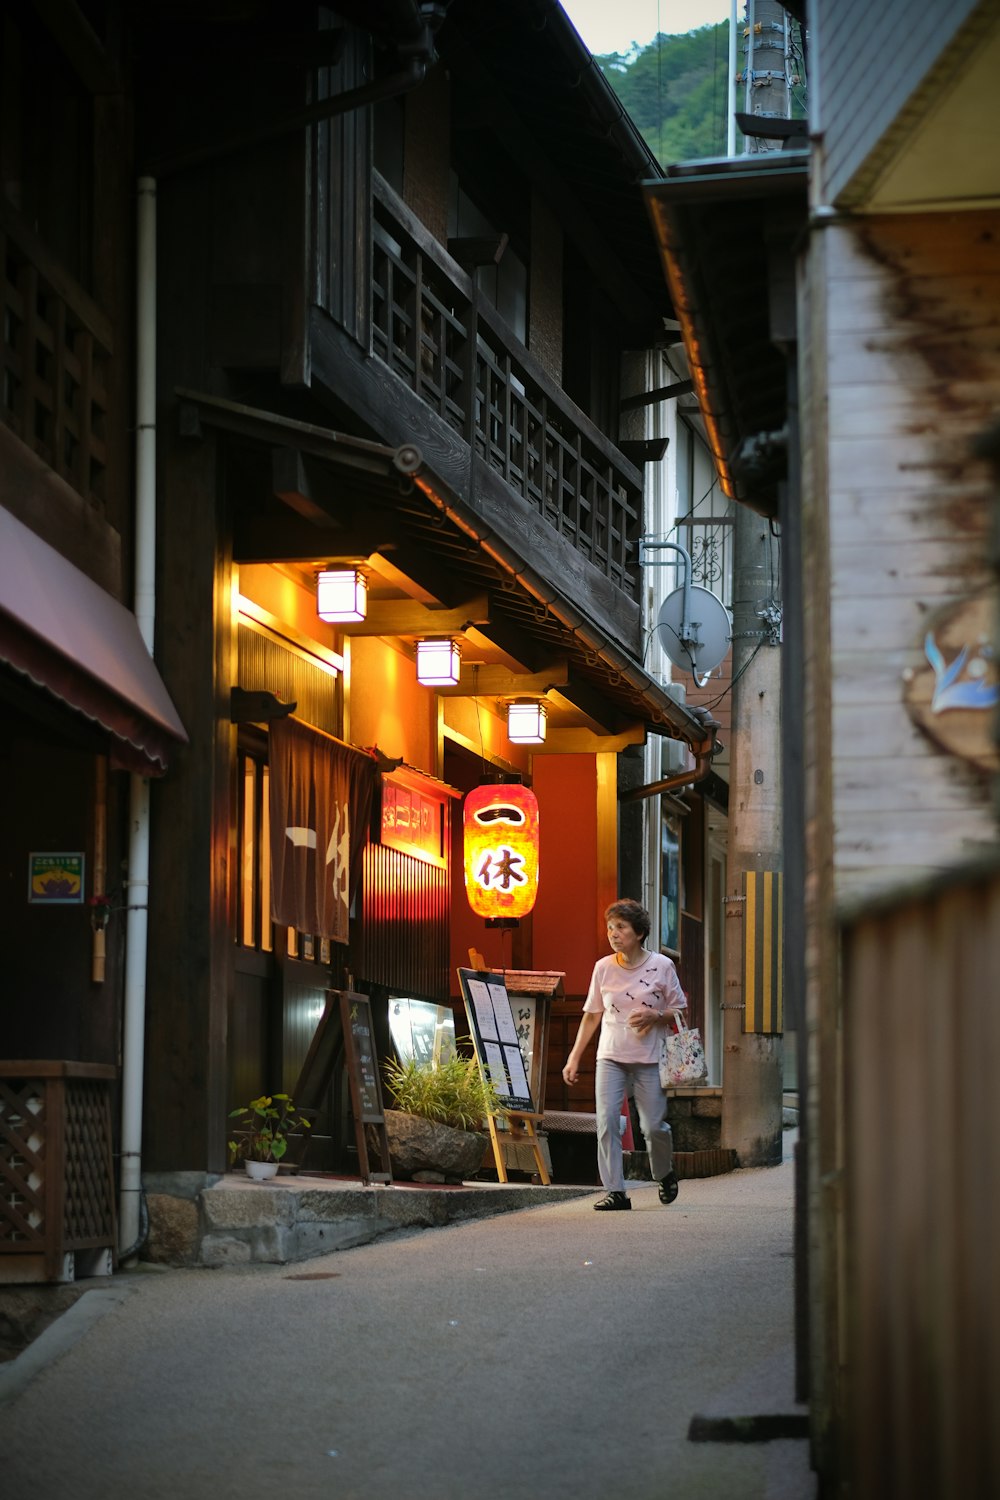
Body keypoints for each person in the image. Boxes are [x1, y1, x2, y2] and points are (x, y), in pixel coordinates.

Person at [562, 898, 685, 1211]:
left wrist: (655, 1016)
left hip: (649, 1058)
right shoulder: (603, 968)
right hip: (611, 1056)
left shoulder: (662, 965)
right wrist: (574, 1057)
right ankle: (616, 1191)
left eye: (621, 928)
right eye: (610, 928)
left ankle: (664, 1172)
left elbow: (680, 1009)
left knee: (653, 1127)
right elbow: (592, 1015)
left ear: (639, 933)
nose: (613, 934)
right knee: (606, 1122)